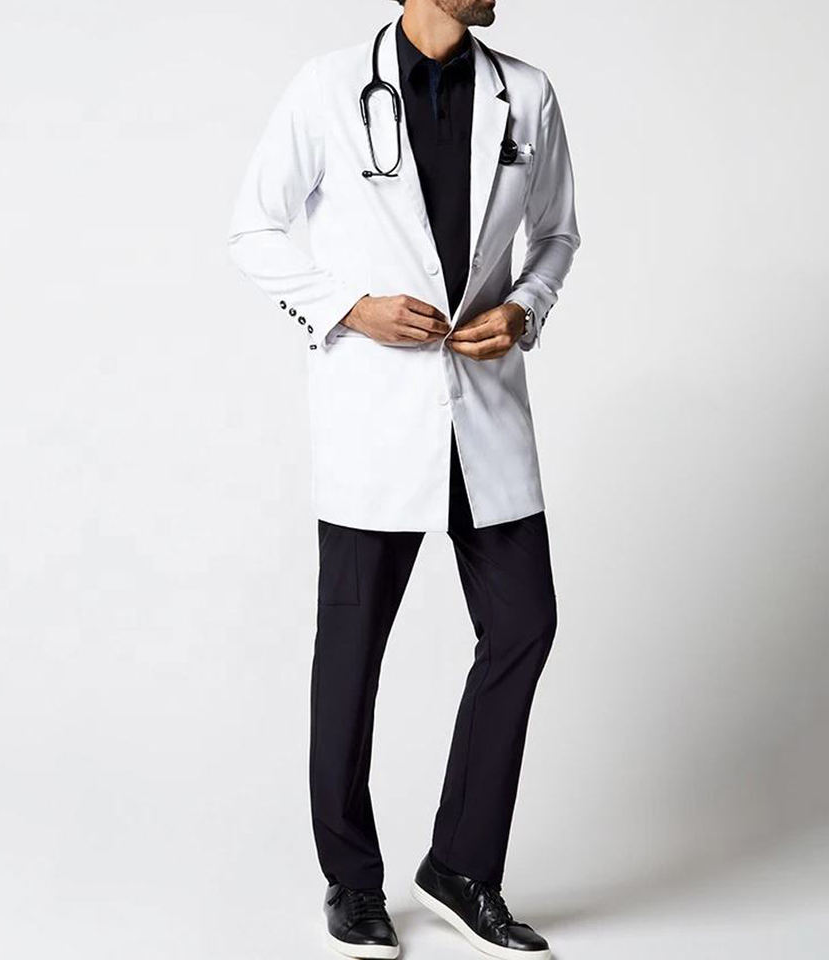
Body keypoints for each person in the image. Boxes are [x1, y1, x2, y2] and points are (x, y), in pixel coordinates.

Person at [226, 0, 579, 955]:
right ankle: (351, 881)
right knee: (352, 651)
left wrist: (525, 309)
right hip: (374, 417)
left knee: (524, 624)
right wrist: (349, 306)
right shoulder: (328, 87)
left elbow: (556, 235)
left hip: (483, 408)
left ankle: (462, 865)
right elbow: (254, 229)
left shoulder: (527, 95)